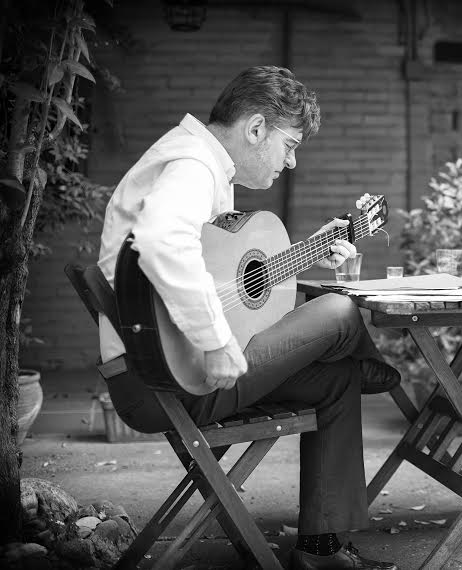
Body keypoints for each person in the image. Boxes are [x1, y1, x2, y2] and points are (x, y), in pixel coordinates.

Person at [97, 66, 399, 570]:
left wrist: (308, 251)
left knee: (337, 378)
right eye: (290, 145)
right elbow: (160, 241)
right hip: (165, 382)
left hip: (165, 373)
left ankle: (321, 551)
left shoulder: (203, 167)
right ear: (256, 128)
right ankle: (379, 370)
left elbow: (227, 285)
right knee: (341, 310)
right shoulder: (193, 165)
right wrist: (215, 342)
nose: (292, 162)